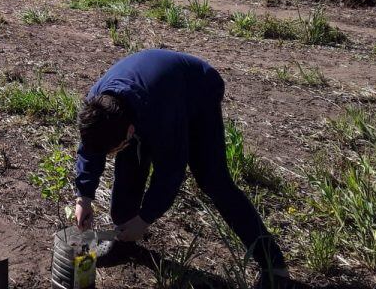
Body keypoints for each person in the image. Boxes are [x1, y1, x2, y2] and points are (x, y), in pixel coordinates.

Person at [74, 49, 289, 287]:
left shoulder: (161, 116)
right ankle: (125, 242)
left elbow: (170, 172)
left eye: (115, 147)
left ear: (130, 131)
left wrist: (145, 219)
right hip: (153, 94)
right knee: (130, 164)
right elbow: (89, 150)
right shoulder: (98, 108)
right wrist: (83, 197)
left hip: (198, 90)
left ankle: (275, 267)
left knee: (212, 179)